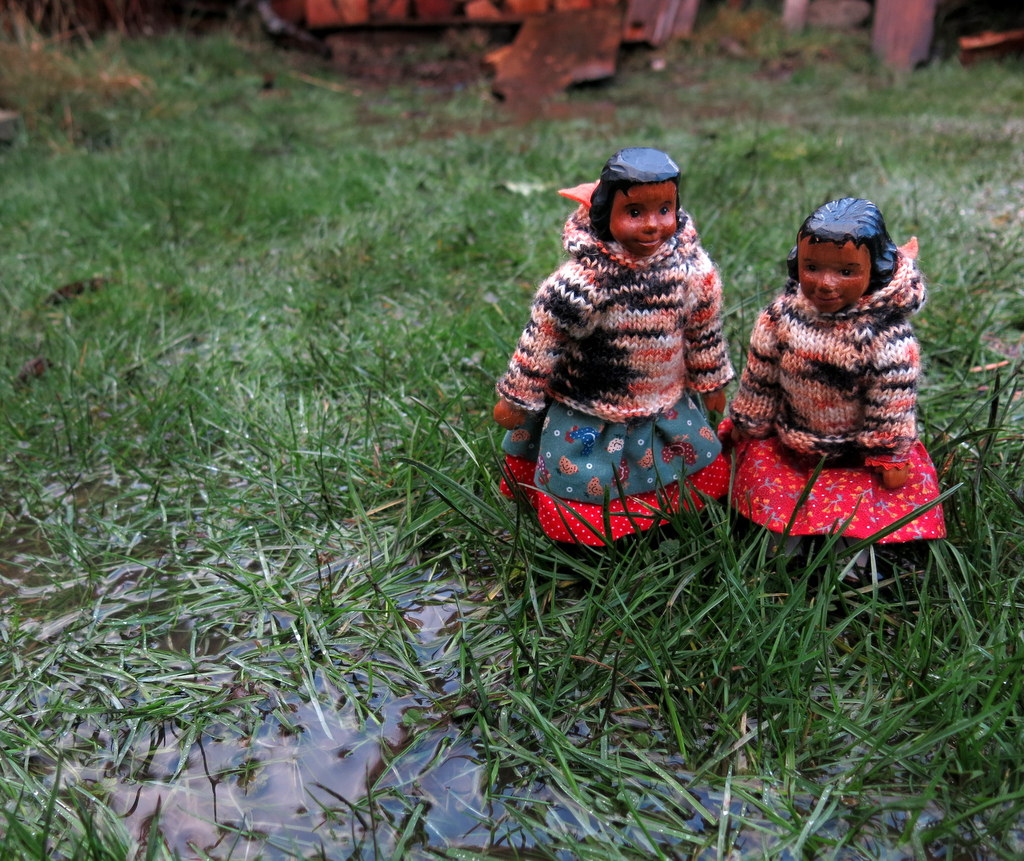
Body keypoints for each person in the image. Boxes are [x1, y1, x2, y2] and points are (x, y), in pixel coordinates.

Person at [494, 147, 734, 545]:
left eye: (664, 209)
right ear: (605, 213)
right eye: (634, 212)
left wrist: (710, 381)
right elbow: (542, 341)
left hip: (663, 398)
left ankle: (670, 513)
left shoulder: (693, 271)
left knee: (680, 460)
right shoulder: (584, 283)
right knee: (586, 477)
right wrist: (518, 397)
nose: (652, 225)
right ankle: (591, 530)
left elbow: (703, 331)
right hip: (589, 405)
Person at [723, 197, 946, 553]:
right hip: (791, 439)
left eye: (846, 272)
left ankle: (851, 557)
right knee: (778, 503)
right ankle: (780, 548)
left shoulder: (885, 337)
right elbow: (761, 374)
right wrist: (751, 419)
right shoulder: (782, 317)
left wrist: (888, 451)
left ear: (875, 269)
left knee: (853, 515)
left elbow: (891, 403)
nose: (825, 283)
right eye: (812, 267)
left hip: (854, 455)